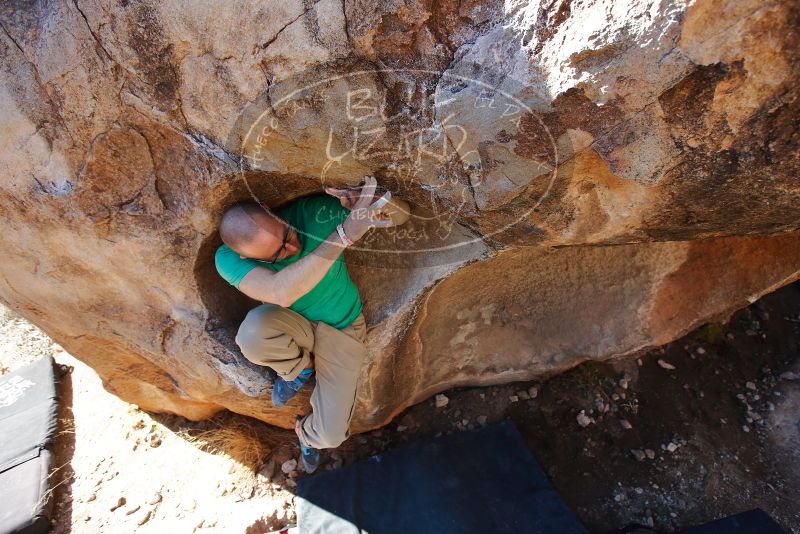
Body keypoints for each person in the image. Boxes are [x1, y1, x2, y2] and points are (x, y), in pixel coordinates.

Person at [213, 177, 397, 473]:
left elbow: (394, 215)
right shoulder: (227, 259)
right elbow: (279, 292)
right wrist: (343, 235)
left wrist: (365, 203)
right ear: (245, 256)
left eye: (286, 234)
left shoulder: (313, 213)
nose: (291, 247)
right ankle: (299, 369)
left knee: (330, 436)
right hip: (294, 326)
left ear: (270, 211)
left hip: (343, 329)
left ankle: (305, 436)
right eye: (277, 253)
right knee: (251, 334)